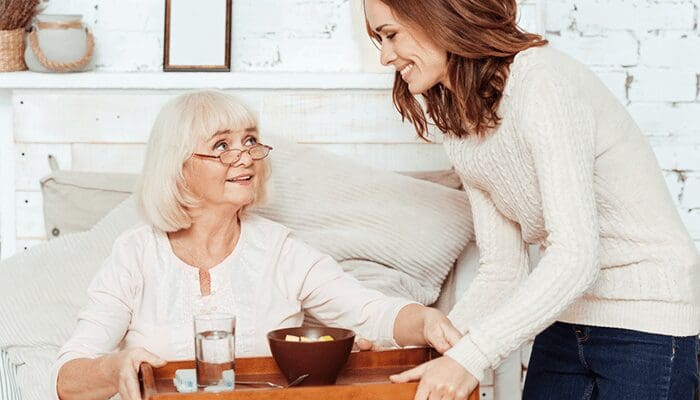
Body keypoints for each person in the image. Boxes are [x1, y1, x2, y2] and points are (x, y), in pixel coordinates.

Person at [363, 1, 700, 399]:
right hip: (565, 316)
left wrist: (472, 356)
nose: (385, 56)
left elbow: (576, 256)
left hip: (648, 321)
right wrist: (432, 347)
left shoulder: (542, 82)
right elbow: (503, 270)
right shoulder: (460, 121)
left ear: (439, 18)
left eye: (390, 35)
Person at [53, 90, 462, 400]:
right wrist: (115, 368)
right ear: (179, 167)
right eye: (221, 146)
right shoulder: (136, 254)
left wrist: (425, 321)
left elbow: (372, 312)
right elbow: (66, 379)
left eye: (250, 141)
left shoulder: (280, 249)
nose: (245, 157)